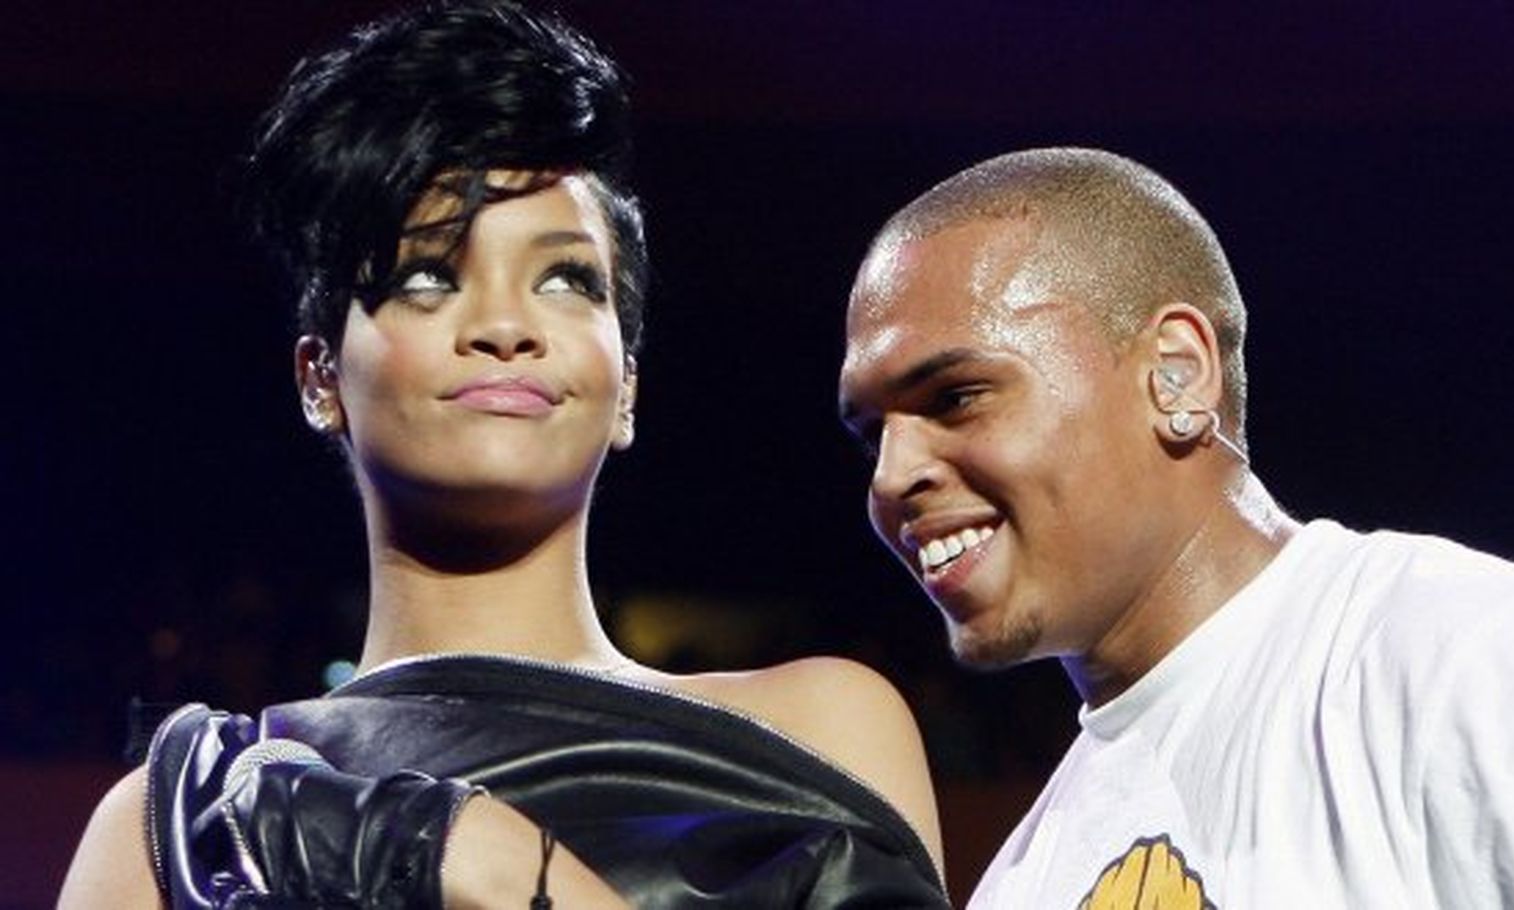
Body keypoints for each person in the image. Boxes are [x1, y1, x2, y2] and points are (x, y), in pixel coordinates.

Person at [58, 3, 946, 907]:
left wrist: (479, 860)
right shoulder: (190, 828)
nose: (505, 326)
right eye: (427, 276)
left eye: (565, 279)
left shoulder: (826, 730)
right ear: (321, 379)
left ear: (626, 385)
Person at [837, 147, 1514, 907]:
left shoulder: (1471, 664)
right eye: (874, 437)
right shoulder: (1018, 886)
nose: (891, 479)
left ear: (1176, 375)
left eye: (956, 397)